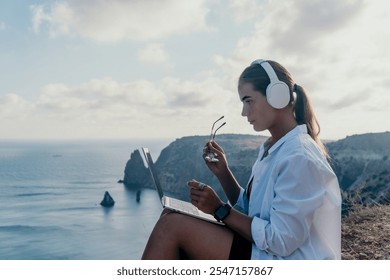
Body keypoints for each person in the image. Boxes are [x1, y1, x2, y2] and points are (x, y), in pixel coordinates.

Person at [141, 59, 341, 260]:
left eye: (248, 101)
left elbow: (281, 241)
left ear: (277, 96)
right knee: (170, 216)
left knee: (172, 227)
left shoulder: (299, 157)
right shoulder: (273, 148)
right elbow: (254, 212)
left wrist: (219, 210)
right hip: (269, 251)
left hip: (287, 260)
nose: (244, 112)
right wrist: (224, 174)